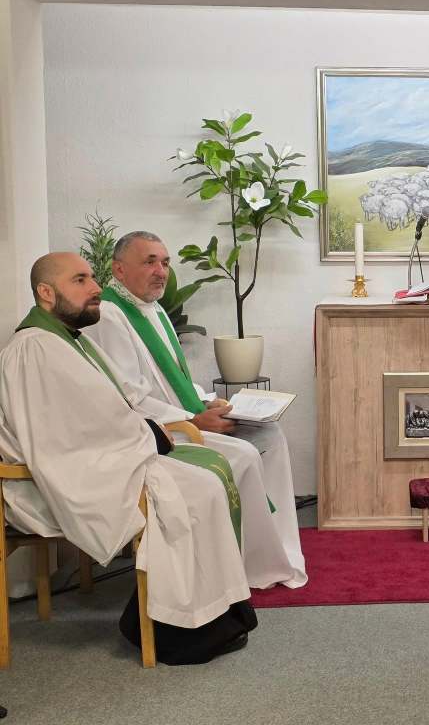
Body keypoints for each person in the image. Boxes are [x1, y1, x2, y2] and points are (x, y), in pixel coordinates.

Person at [0, 253, 255, 664]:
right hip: (51, 481)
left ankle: (210, 616)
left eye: (92, 278)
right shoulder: (35, 348)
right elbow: (59, 434)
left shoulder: (65, 340)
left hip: (92, 461)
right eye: (80, 280)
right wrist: (149, 434)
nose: (95, 288)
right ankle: (174, 632)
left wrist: (148, 433)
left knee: (203, 485)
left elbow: (97, 413)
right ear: (46, 293)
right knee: (190, 494)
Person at [83, 231, 306, 588]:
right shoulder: (110, 316)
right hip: (161, 433)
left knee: (271, 435)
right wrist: (193, 420)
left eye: (165, 263)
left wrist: (204, 401)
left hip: (185, 419)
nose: (161, 271)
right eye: (149, 262)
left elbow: (175, 376)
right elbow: (130, 398)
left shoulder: (153, 308)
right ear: (119, 269)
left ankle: (277, 549)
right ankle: (247, 565)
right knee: (247, 453)